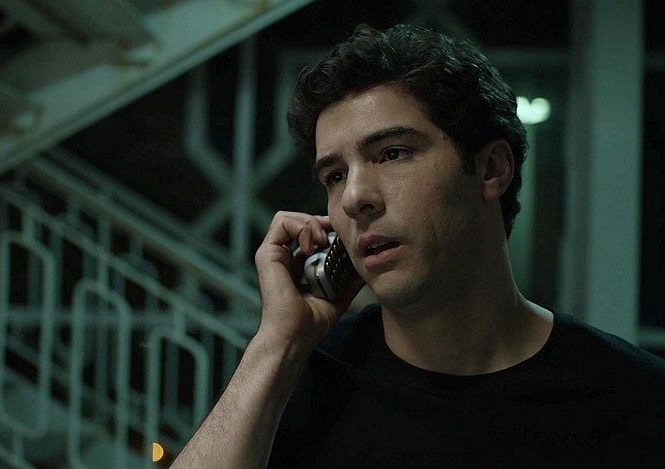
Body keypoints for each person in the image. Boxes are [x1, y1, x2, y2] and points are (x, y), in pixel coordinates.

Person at [171, 24, 665, 468]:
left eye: (393, 153)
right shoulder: (294, 385)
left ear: (491, 169)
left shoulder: (636, 399)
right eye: (335, 175)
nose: (354, 197)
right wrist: (276, 344)